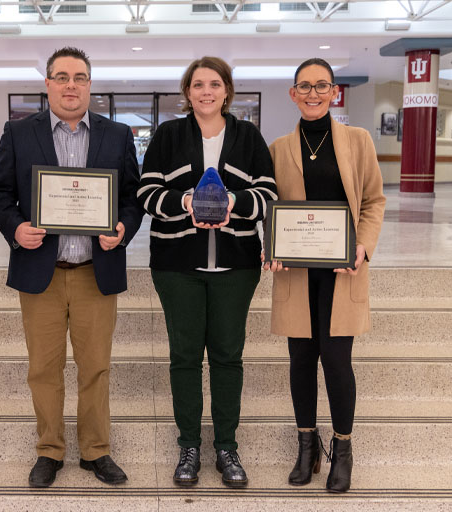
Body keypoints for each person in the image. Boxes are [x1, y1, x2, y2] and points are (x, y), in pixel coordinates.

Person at [0, 47, 142, 488]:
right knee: (44, 369)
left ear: (90, 85)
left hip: (97, 269)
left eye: (79, 77)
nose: (71, 85)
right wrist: (16, 229)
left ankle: (96, 451)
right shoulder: (18, 132)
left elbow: (132, 197)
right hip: (42, 271)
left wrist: (123, 228)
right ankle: (49, 450)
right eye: (61, 77)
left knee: (96, 367)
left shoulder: (118, 134)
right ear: (48, 84)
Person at [138, 56, 276, 488]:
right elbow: (146, 191)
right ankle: (189, 445)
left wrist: (233, 202)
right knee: (184, 356)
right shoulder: (168, 134)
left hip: (236, 266)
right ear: (187, 92)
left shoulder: (248, 135)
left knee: (227, 356)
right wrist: (184, 203)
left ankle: (227, 447)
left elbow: (269, 194)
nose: (206, 92)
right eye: (197, 85)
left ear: (227, 90)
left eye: (214, 84)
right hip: (177, 266)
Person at [264, 58, 385, 493]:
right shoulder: (277, 148)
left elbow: (374, 201)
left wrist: (363, 245)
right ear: (292, 94)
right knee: (300, 361)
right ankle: (306, 445)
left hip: (342, 271)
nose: (313, 94)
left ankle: (343, 447)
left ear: (335, 92)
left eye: (322, 86)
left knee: (336, 360)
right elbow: (268, 207)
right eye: (304, 86)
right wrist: (270, 246)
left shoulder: (358, 141)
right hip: (297, 273)